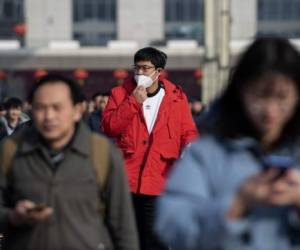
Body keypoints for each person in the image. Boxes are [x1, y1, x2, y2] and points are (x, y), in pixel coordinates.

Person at [155, 37, 300, 250]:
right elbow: (172, 225)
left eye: (282, 97)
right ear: (241, 91)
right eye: (260, 96)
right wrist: (236, 205)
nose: (270, 110)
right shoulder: (208, 153)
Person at [0, 74, 139, 250]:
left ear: (77, 110)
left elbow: (123, 226)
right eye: (40, 108)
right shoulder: (10, 150)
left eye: (57, 108)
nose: (49, 116)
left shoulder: (102, 152)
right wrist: (12, 217)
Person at [102, 47, 198, 250]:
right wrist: (133, 102)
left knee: (157, 238)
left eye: (145, 68)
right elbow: (110, 128)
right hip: (127, 178)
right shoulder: (120, 94)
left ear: (158, 71)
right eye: (136, 68)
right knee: (127, 237)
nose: (140, 74)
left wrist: (190, 147)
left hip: (160, 179)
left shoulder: (176, 98)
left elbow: (187, 130)